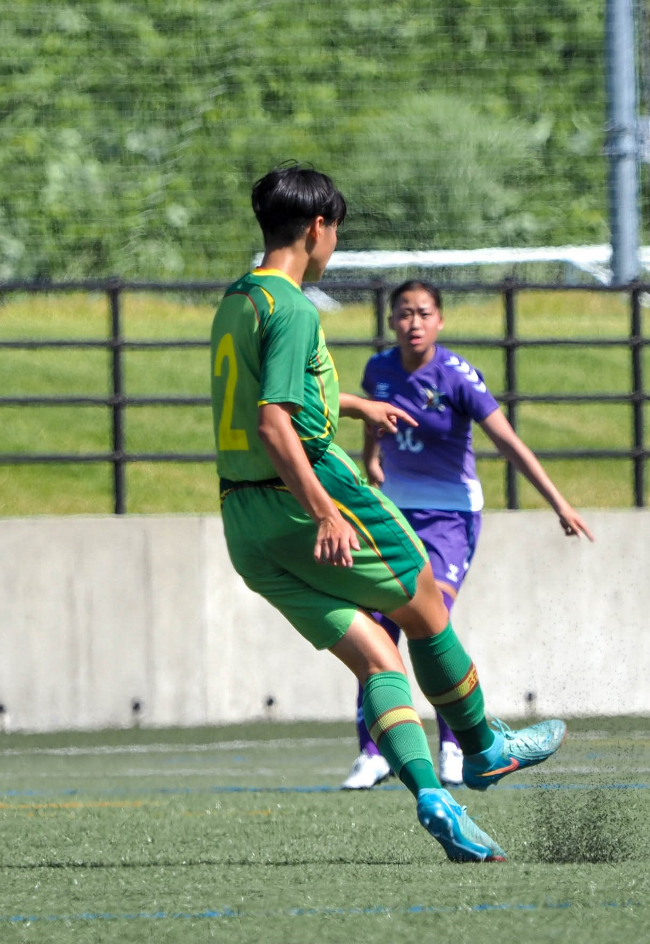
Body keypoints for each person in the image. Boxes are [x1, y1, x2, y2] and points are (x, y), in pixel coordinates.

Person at [210, 165, 567, 862]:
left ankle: (435, 795)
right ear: (318, 228)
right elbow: (275, 423)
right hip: (305, 491)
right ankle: (486, 746)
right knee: (425, 605)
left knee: (377, 659)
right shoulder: (293, 307)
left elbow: (262, 401)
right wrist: (324, 511)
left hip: (243, 522)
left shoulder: (236, 301)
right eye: (335, 230)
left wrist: (353, 406)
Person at [341, 279, 594, 791]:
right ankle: (373, 752)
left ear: (440, 321)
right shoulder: (379, 369)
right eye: (405, 313)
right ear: (391, 321)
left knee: (430, 627)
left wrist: (558, 501)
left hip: (451, 520)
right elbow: (374, 416)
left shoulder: (457, 377)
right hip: (394, 515)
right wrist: (370, 457)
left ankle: (454, 746)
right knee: (375, 626)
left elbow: (508, 441)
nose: (414, 322)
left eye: (424, 313)